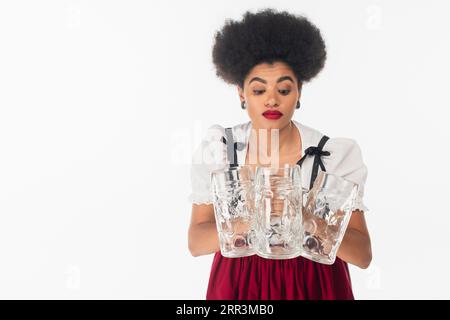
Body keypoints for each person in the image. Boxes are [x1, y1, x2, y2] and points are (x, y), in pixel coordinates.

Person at [188, 8, 372, 300]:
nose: (272, 99)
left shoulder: (332, 154)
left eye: (284, 89)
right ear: (241, 93)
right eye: (259, 90)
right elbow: (196, 242)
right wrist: (256, 217)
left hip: (316, 285)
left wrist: (301, 215)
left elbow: (362, 255)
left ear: (299, 90)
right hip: (239, 287)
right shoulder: (221, 149)